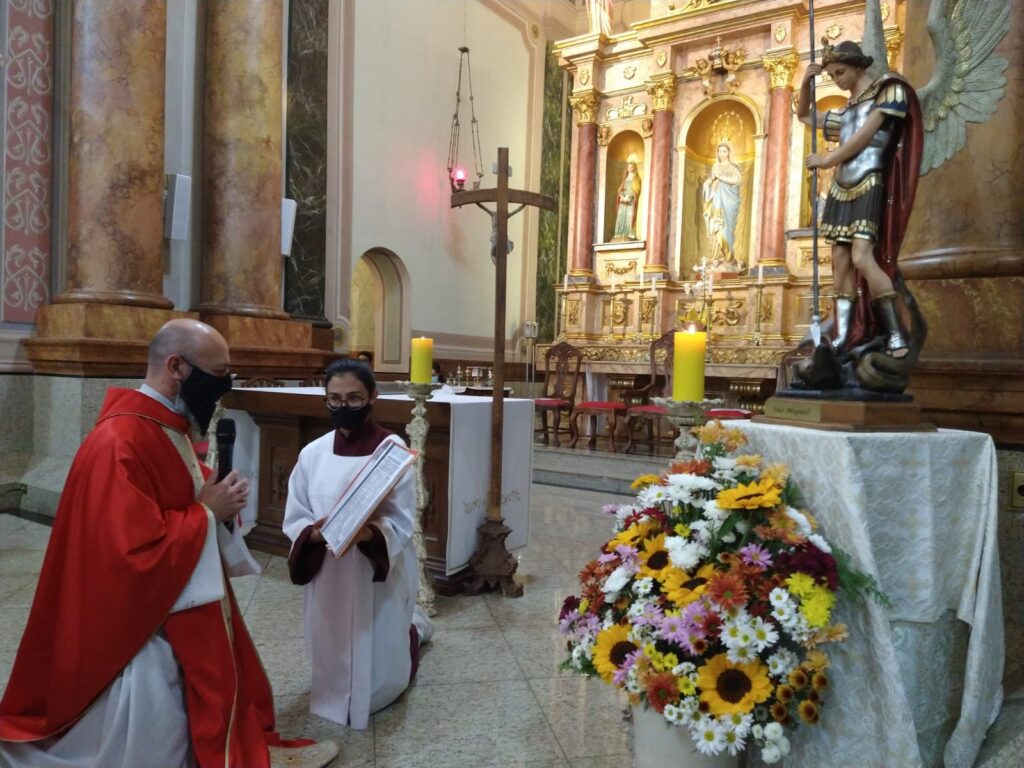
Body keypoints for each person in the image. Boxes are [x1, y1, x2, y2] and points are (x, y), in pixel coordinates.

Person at [0, 319, 335, 768]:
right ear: (176, 366)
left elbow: (175, 509)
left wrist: (214, 508)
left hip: (173, 594)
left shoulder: (163, 427)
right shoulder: (118, 441)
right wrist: (205, 513)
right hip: (133, 628)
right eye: (218, 374)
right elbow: (129, 553)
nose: (224, 386)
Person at [283, 359, 433, 730]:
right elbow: (296, 514)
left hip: (369, 567)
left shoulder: (391, 450)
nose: (343, 408)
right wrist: (313, 534)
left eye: (353, 399)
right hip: (327, 568)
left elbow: (401, 518)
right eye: (334, 399)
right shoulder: (313, 453)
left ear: (372, 398)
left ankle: (392, 667)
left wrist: (367, 534)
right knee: (330, 635)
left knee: (378, 641)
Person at [798, 39, 922, 358]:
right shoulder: (845, 109)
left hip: (868, 182)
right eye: (832, 75)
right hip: (841, 187)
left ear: (858, 66)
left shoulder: (888, 91)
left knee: (861, 258)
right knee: (839, 265)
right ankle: (843, 335)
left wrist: (827, 159)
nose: (837, 79)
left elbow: (865, 137)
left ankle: (896, 334)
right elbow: (804, 116)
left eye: (840, 72)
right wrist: (806, 83)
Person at [702, 141, 743, 271]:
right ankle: (716, 256)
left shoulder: (733, 167)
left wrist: (721, 179)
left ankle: (729, 257)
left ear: (729, 153)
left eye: (725, 151)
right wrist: (707, 183)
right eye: (720, 151)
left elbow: (737, 180)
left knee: (726, 229)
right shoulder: (715, 167)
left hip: (728, 202)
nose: (722, 154)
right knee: (716, 227)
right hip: (716, 201)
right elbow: (713, 179)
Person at [611, 160, 641, 241]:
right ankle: (619, 233)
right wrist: (621, 196)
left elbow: (636, 190)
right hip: (623, 201)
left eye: (631, 167)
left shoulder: (636, 178)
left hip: (630, 201)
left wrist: (629, 197)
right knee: (621, 216)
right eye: (628, 167)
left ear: (634, 168)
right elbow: (620, 189)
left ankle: (629, 233)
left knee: (629, 217)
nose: (629, 168)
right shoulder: (625, 178)